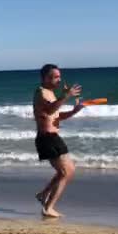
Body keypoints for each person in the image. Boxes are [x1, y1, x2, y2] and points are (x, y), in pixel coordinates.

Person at [33, 64, 83, 218]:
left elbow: (56, 116)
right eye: (55, 77)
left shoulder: (51, 93)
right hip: (47, 138)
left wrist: (73, 111)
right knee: (65, 171)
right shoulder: (41, 93)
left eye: (59, 76)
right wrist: (66, 96)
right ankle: (48, 207)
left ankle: (43, 195)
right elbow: (49, 110)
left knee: (67, 171)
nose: (58, 80)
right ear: (45, 78)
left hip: (53, 137)